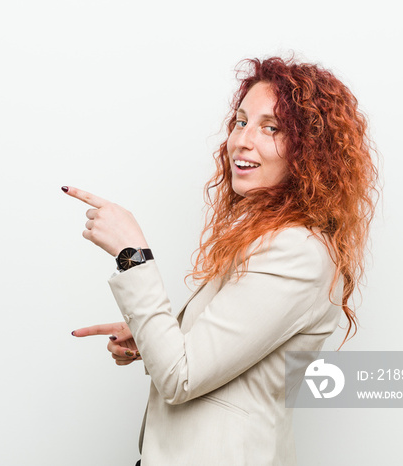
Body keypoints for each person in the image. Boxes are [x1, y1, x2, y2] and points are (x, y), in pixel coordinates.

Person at [63, 56, 377, 465]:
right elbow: (213, 357)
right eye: (242, 121)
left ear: (310, 152)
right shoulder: (269, 239)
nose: (242, 140)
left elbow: (182, 376)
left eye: (272, 128)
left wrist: (133, 254)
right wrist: (150, 336)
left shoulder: (297, 252)